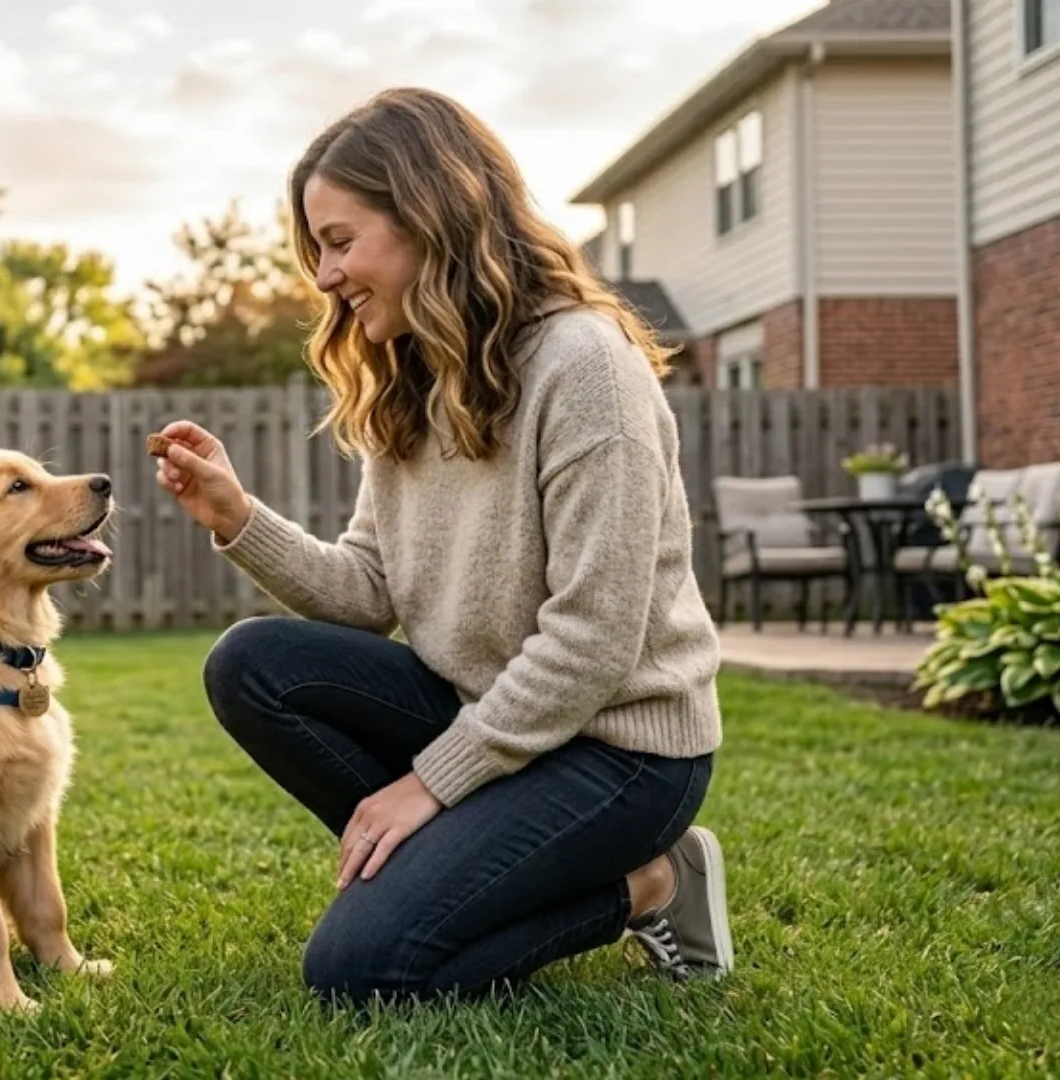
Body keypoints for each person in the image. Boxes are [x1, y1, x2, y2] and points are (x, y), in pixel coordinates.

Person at [150, 86, 731, 1007]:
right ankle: (460, 873)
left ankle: (651, 882)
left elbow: (595, 637)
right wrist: (237, 516)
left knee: (359, 970)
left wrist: (429, 783)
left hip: (620, 754)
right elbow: (371, 589)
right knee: (253, 664)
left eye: (340, 242)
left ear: (432, 213)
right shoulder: (411, 381)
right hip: (492, 715)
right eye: (318, 252)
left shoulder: (584, 369)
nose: (328, 278)